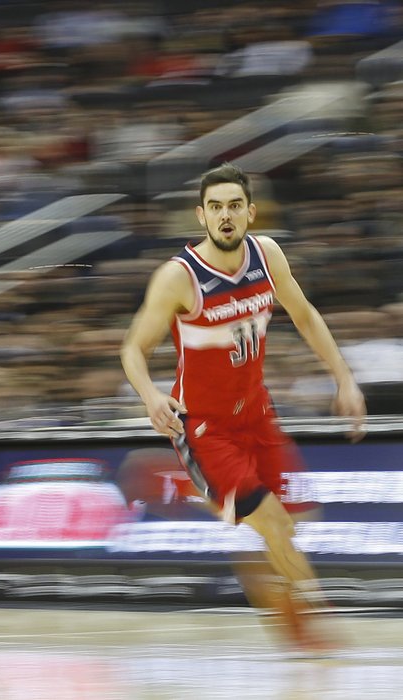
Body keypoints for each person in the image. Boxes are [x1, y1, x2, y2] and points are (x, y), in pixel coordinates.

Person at [119, 162, 366, 652]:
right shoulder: (178, 277)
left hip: (258, 413)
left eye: (234, 205)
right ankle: (318, 620)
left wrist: (344, 378)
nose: (225, 215)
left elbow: (304, 314)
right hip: (206, 427)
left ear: (250, 213)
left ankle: (179, 486)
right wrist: (150, 395)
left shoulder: (267, 254)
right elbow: (132, 348)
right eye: (215, 207)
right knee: (273, 526)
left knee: (296, 525)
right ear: (201, 215)